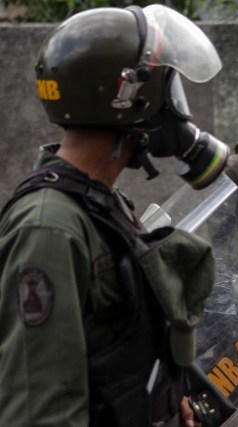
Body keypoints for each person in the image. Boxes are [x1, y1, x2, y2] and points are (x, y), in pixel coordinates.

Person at [0, 5, 226, 426]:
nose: (174, 110)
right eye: (168, 90)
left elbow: (113, 351)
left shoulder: (100, 205)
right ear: (128, 96)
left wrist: (163, 399)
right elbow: (42, 407)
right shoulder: (49, 226)